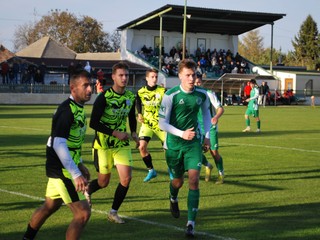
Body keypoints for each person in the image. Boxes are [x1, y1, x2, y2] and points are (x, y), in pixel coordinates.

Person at [22, 70, 93, 240]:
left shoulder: (78, 108)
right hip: (62, 168)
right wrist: (75, 173)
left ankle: (27, 238)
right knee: (82, 213)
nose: (90, 89)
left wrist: (80, 163)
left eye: (90, 85)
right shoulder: (67, 110)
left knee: (50, 205)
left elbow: (72, 142)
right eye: (86, 85)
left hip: (65, 165)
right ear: (73, 88)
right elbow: (58, 143)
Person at [159, 59, 211, 237]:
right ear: (180, 76)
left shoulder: (202, 95)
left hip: (193, 145)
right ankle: (173, 197)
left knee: (194, 180)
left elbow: (206, 114)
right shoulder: (171, 95)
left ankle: (190, 224)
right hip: (174, 145)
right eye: (188, 75)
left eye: (194, 74)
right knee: (178, 182)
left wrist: (207, 136)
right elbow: (161, 123)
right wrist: (181, 134)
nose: (191, 78)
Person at [86, 62, 139, 224]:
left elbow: (131, 117)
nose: (124, 78)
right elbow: (93, 123)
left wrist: (134, 133)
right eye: (121, 75)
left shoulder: (130, 97)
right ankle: (87, 190)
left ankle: (113, 212)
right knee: (103, 182)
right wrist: (115, 133)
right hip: (103, 145)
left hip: (121, 145)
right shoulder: (104, 98)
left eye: (126, 75)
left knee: (126, 178)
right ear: (113, 77)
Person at [136, 68, 166, 182]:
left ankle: (173, 171)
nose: (154, 79)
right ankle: (151, 170)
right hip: (147, 124)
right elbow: (137, 101)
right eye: (152, 77)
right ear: (147, 78)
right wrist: (139, 113)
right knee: (141, 147)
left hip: (161, 124)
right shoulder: (141, 92)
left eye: (156, 77)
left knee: (168, 150)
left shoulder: (162, 91)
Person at [194, 74, 225, 184]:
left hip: (210, 126)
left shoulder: (209, 93)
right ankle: (208, 165)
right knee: (195, 151)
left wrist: (216, 117)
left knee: (214, 152)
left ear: (202, 82)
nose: (196, 84)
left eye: (198, 82)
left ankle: (221, 174)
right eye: (195, 82)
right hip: (197, 127)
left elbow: (220, 108)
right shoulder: (191, 94)